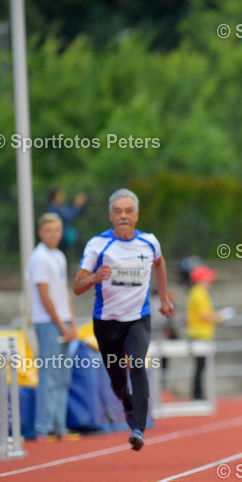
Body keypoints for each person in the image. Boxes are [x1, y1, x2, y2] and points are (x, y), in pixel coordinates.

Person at [73, 188, 174, 451]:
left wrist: (163, 298)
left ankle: (138, 428)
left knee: (138, 364)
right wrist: (94, 277)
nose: (123, 216)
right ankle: (126, 402)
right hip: (107, 323)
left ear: (137, 215)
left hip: (137, 319)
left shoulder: (149, 242)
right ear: (110, 215)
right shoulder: (98, 245)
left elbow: (160, 264)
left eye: (128, 211)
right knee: (118, 381)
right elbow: (77, 285)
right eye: (118, 211)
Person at [29, 213, 80, 441]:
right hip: (48, 321)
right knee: (49, 374)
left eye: (57, 230)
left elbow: (62, 290)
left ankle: (59, 425)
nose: (53, 235)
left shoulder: (59, 256)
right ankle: (44, 426)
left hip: (63, 321)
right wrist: (61, 325)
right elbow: (44, 296)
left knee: (63, 376)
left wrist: (72, 322)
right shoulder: (39, 258)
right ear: (40, 232)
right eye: (48, 230)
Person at [186, 265, 219, 400]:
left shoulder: (196, 292)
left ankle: (198, 394)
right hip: (199, 334)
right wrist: (219, 317)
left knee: (200, 367)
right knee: (200, 368)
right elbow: (204, 316)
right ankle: (197, 395)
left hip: (198, 333)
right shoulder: (199, 293)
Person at [48, 188, 87, 256]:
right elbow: (69, 215)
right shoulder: (54, 208)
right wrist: (77, 205)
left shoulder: (60, 206)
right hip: (61, 239)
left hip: (63, 238)